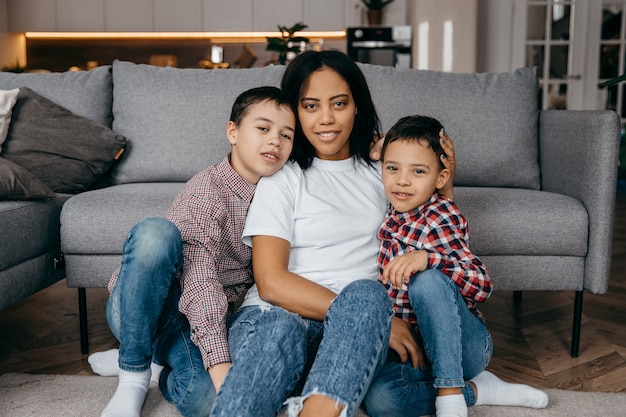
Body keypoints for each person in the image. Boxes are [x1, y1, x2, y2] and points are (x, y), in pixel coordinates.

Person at [208, 51, 455, 417]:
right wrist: (374, 323)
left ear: (357, 105)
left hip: (354, 334)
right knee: (282, 326)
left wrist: (447, 182)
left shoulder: (385, 172)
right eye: (310, 106)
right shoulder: (282, 178)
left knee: (369, 301)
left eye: (339, 103)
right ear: (295, 110)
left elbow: (435, 231)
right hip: (275, 317)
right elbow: (271, 282)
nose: (326, 118)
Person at [87, 86, 295, 417]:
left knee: (212, 402)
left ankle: (159, 364)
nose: (275, 141)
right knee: (156, 234)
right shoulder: (207, 191)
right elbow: (198, 282)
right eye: (263, 128)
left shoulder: (282, 189)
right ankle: (133, 371)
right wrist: (220, 362)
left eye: (287, 135)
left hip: (193, 321)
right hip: (146, 307)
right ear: (233, 132)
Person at [363, 115, 549, 417]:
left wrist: (428, 258)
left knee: (426, 281)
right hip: (417, 351)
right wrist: (374, 150)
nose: (402, 180)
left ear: (440, 178)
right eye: (392, 168)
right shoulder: (390, 209)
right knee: (382, 400)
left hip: (465, 349)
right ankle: (478, 390)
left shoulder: (441, 216)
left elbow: (482, 283)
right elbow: (373, 154)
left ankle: (451, 395)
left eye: (418, 171)